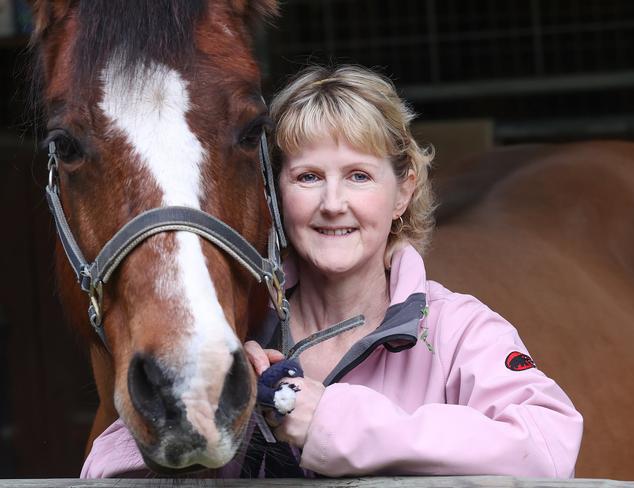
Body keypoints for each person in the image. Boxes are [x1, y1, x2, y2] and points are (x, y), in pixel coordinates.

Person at [81, 65, 583, 478]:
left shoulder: (457, 329)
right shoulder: (234, 329)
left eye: (359, 176)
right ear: (274, 194)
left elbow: (547, 445)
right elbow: (104, 466)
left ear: (403, 190)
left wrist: (335, 423)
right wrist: (229, 406)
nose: (333, 204)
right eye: (308, 177)